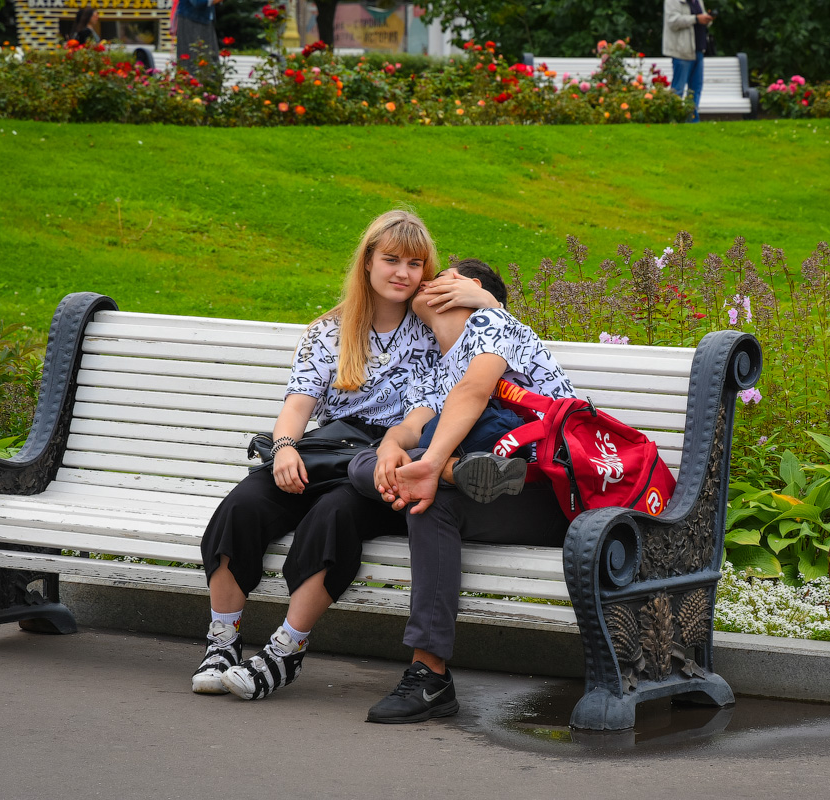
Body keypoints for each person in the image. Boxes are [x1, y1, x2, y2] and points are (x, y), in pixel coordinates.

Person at [193, 211, 498, 701]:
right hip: (328, 449)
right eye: (391, 259)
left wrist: (479, 299)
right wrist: (286, 448)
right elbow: (298, 403)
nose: (402, 272)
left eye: (415, 264)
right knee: (244, 505)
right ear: (368, 263)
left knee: (334, 515)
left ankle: (285, 649)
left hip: (392, 458)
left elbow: (427, 409)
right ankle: (222, 641)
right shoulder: (328, 332)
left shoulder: (433, 332)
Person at [348, 260, 577, 724]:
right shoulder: (433, 364)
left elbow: (474, 390)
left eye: (440, 275)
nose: (425, 281)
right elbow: (411, 424)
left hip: (550, 491)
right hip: (483, 482)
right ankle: (459, 471)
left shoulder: (495, 324)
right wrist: (394, 449)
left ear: (468, 287)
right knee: (366, 466)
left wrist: (429, 464)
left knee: (427, 496)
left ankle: (429, 675)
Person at [662, 0, 714, 122]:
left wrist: (707, 19)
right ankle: (674, 119)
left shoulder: (697, 1)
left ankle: (692, 120)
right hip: (682, 51)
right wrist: (695, 19)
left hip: (699, 50)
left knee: (695, 88)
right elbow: (672, 22)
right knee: (678, 89)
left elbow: (702, 19)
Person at [177, 0, 223, 64]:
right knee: (194, 58)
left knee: (209, 58)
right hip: (192, 19)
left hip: (203, 19)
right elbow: (198, 2)